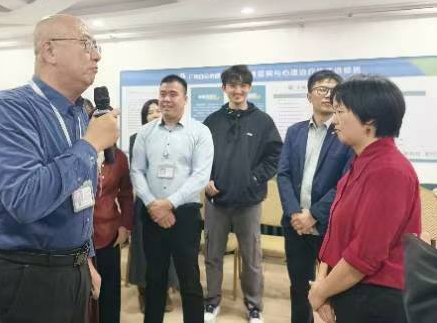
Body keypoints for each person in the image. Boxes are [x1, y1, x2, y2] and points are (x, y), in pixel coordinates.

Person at [0, 14, 119, 323]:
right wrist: (90, 145)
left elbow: (81, 198)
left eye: (96, 46)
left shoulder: (79, 114)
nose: (96, 55)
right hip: (23, 275)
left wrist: (86, 258)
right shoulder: (10, 109)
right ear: (49, 51)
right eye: (86, 44)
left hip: (72, 269)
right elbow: (26, 200)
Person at [308, 75, 421, 323]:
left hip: (376, 299)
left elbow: (365, 256)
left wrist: (320, 292)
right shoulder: (362, 163)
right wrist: (323, 283)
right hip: (349, 289)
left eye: (340, 111)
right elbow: (337, 234)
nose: (334, 120)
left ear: (369, 120)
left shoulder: (389, 170)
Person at [203, 65, 282, 323]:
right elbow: (200, 156)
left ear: (249, 87)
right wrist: (206, 179)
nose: (238, 90)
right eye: (232, 85)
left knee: (251, 258)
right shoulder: (212, 121)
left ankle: (254, 306)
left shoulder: (263, 121)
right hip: (216, 201)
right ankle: (212, 301)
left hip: (249, 202)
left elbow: (275, 155)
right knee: (213, 256)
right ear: (224, 88)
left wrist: (255, 178)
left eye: (243, 85)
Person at [131, 74, 214, 323]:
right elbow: (137, 171)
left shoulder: (200, 132)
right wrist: (152, 204)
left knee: (189, 279)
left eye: (173, 94)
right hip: (151, 214)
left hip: (185, 215)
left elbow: (201, 176)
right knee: (154, 278)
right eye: (163, 94)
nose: (166, 99)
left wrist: (169, 203)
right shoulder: (145, 133)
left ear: (185, 99)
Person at [277, 70, 353, 323]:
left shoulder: (346, 134)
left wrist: (314, 215)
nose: (328, 95)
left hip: (329, 226)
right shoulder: (295, 132)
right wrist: (295, 214)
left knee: (335, 292)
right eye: (322, 89)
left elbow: (345, 182)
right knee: (299, 288)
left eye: (333, 90)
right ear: (309, 96)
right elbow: (284, 174)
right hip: (295, 226)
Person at [128, 99, 179, 313]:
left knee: (166, 247)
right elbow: (137, 172)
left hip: (167, 200)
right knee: (143, 249)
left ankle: (164, 289)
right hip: (145, 202)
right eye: (150, 112)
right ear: (144, 117)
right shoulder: (136, 139)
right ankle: (143, 290)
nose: (155, 114)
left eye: (158, 110)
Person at [91, 145, 133, 323]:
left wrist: (125, 226)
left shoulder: (119, 158)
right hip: (80, 236)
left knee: (109, 292)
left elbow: (126, 194)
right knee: (85, 293)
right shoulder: (78, 151)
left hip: (109, 233)